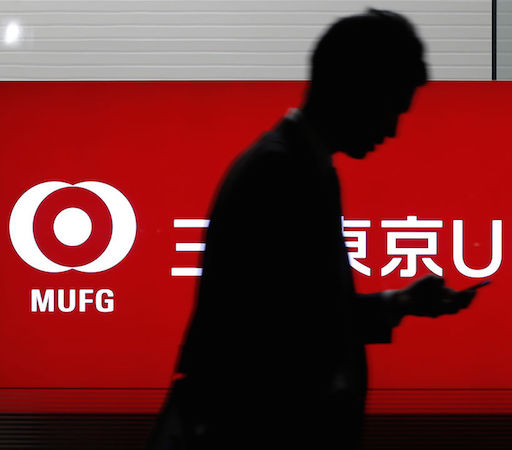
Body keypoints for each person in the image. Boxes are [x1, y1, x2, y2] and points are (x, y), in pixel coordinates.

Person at [149, 9, 478, 450]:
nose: (393, 130)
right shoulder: (283, 172)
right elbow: (286, 331)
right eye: (391, 107)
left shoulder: (293, 165)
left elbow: (299, 312)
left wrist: (398, 302)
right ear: (357, 89)